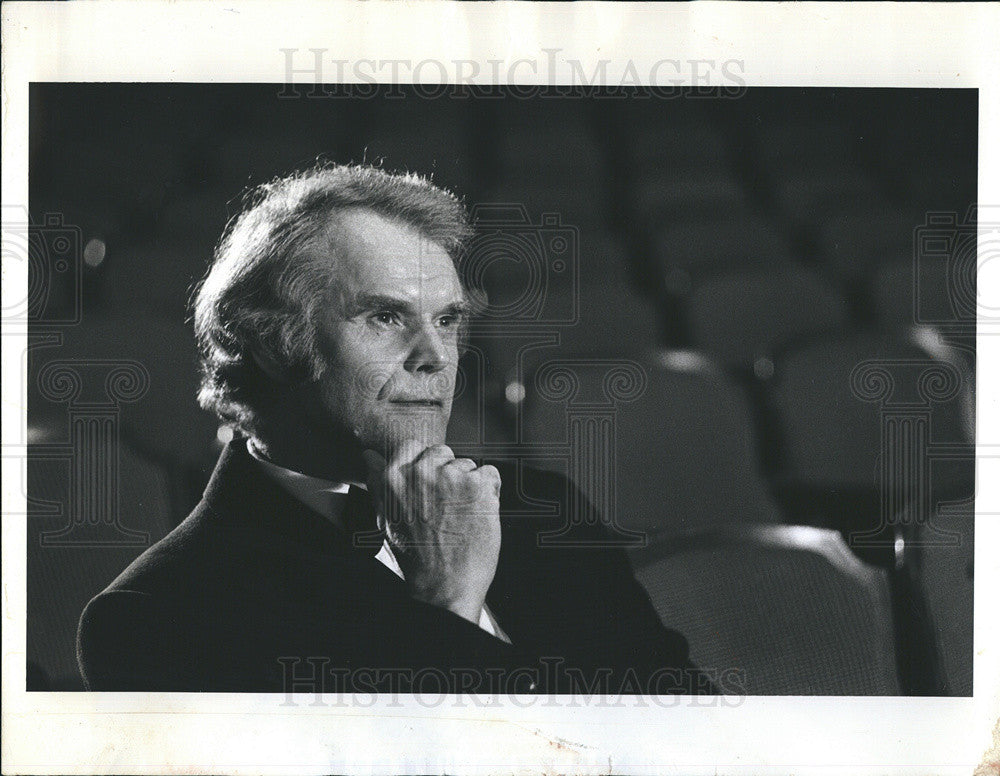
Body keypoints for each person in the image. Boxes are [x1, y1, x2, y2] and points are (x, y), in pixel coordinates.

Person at [77, 163, 714, 695]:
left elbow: (696, 733)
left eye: (447, 320)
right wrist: (447, 609)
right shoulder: (156, 617)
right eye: (385, 317)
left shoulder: (544, 511)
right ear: (273, 344)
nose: (435, 356)